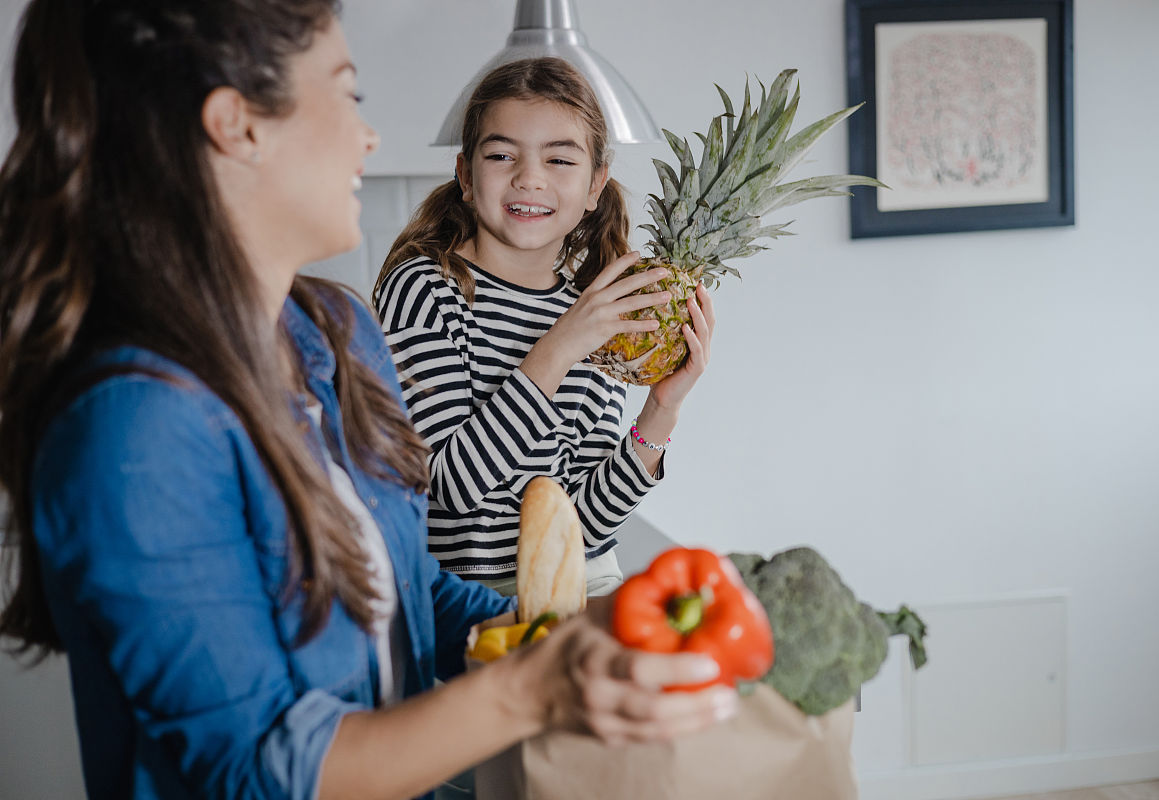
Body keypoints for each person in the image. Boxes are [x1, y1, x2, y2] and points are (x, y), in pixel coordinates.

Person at [0, 3, 738, 799]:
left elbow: (409, 587)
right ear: (238, 125)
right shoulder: (132, 428)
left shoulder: (330, 331)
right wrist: (535, 685)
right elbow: (258, 768)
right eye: (347, 96)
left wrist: (580, 637)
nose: (370, 137)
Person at [373, 58, 716, 596]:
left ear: (595, 185)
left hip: (579, 581)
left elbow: (583, 527)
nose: (529, 177)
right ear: (466, 175)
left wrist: (661, 410)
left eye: (560, 159)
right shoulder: (425, 289)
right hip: (463, 599)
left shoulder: (594, 306)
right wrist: (558, 349)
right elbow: (449, 491)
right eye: (501, 154)